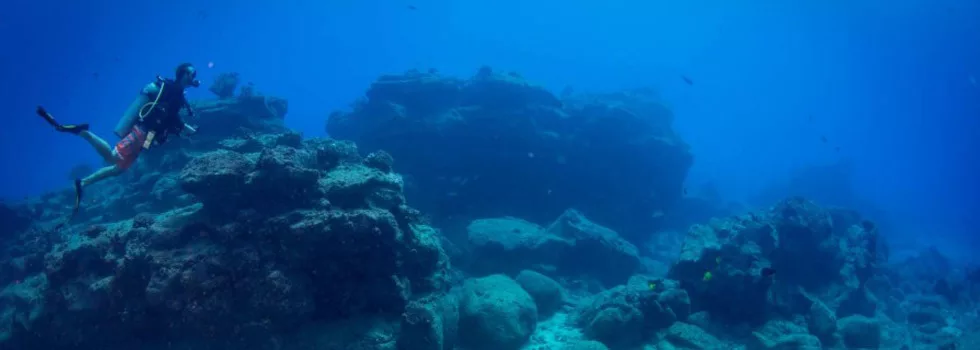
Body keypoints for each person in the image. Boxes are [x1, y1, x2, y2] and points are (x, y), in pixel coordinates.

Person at [37, 63, 201, 217]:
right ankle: (84, 132)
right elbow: (171, 117)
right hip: (142, 132)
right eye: (192, 73)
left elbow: (169, 119)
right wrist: (185, 128)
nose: (194, 76)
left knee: (119, 168)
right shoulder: (173, 91)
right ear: (184, 74)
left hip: (148, 135)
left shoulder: (177, 94)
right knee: (112, 157)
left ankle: (83, 183)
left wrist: (182, 129)